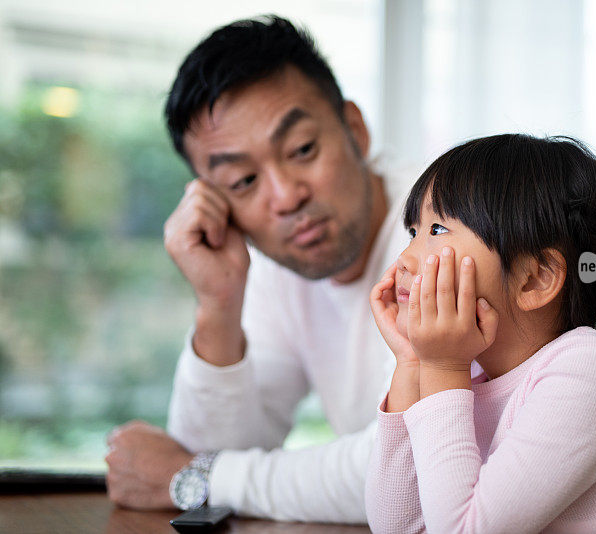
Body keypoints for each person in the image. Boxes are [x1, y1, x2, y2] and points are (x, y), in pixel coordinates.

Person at [104, 15, 412, 522]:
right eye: (244, 181)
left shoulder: (444, 230)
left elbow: (406, 474)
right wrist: (218, 305)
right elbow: (216, 452)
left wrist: (199, 477)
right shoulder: (280, 267)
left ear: (355, 130)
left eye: (302, 150)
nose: (286, 197)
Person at [366, 134, 596, 533]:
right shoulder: (469, 380)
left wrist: (442, 366)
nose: (405, 259)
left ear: (534, 278)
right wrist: (411, 363)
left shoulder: (592, 365)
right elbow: (397, 527)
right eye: (413, 232)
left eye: (437, 229)